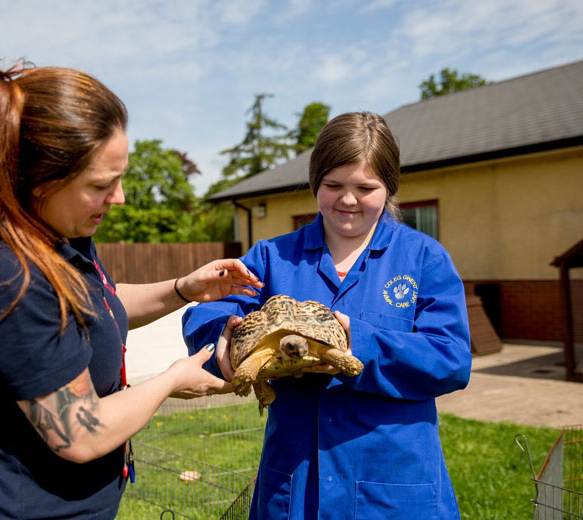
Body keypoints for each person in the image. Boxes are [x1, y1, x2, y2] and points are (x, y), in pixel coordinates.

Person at [0, 57, 263, 520]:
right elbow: (82, 433)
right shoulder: (6, 278)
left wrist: (185, 289)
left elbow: (98, 307)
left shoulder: (59, 236)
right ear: (38, 182)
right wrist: (171, 379)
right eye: (101, 184)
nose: (118, 198)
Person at [183, 112, 472, 519]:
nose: (348, 200)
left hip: (393, 487)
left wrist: (359, 344)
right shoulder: (272, 257)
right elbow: (209, 313)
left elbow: (451, 361)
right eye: (333, 185)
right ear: (315, 182)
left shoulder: (424, 258)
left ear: (389, 186)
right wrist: (221, 343)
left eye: (366, 187)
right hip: (296, 486)